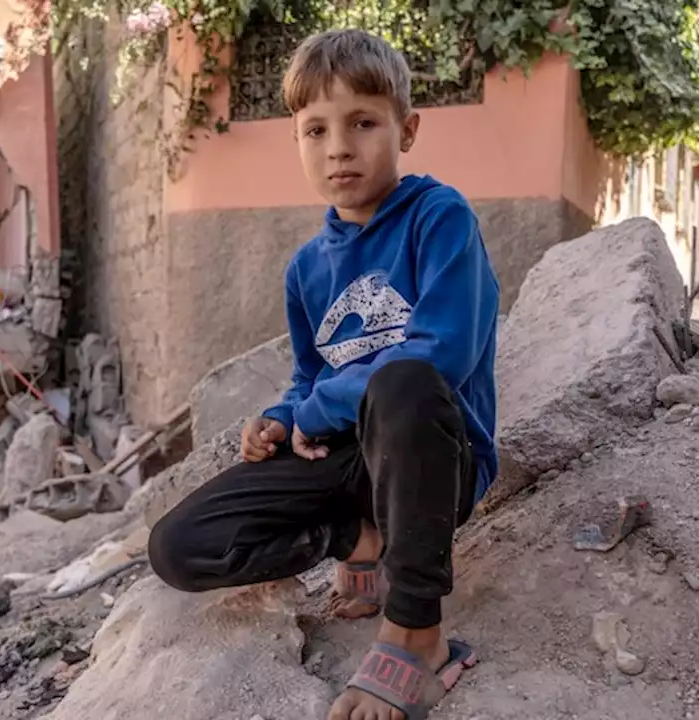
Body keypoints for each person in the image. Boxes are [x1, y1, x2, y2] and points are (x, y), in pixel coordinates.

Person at [148, 27, 500, 720]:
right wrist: (285, 417)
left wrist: (316, 410)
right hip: (347, 460)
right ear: (297, 140)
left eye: (363, 123)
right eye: (315, 129)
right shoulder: (307, 269)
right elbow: (312, 379)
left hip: (432, 460)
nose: (339, 146)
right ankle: (357, 539)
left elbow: (443, 354)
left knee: (403, 380)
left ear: (408, 128)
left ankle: (415, 631)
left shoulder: (440, 218)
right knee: (178, 546)